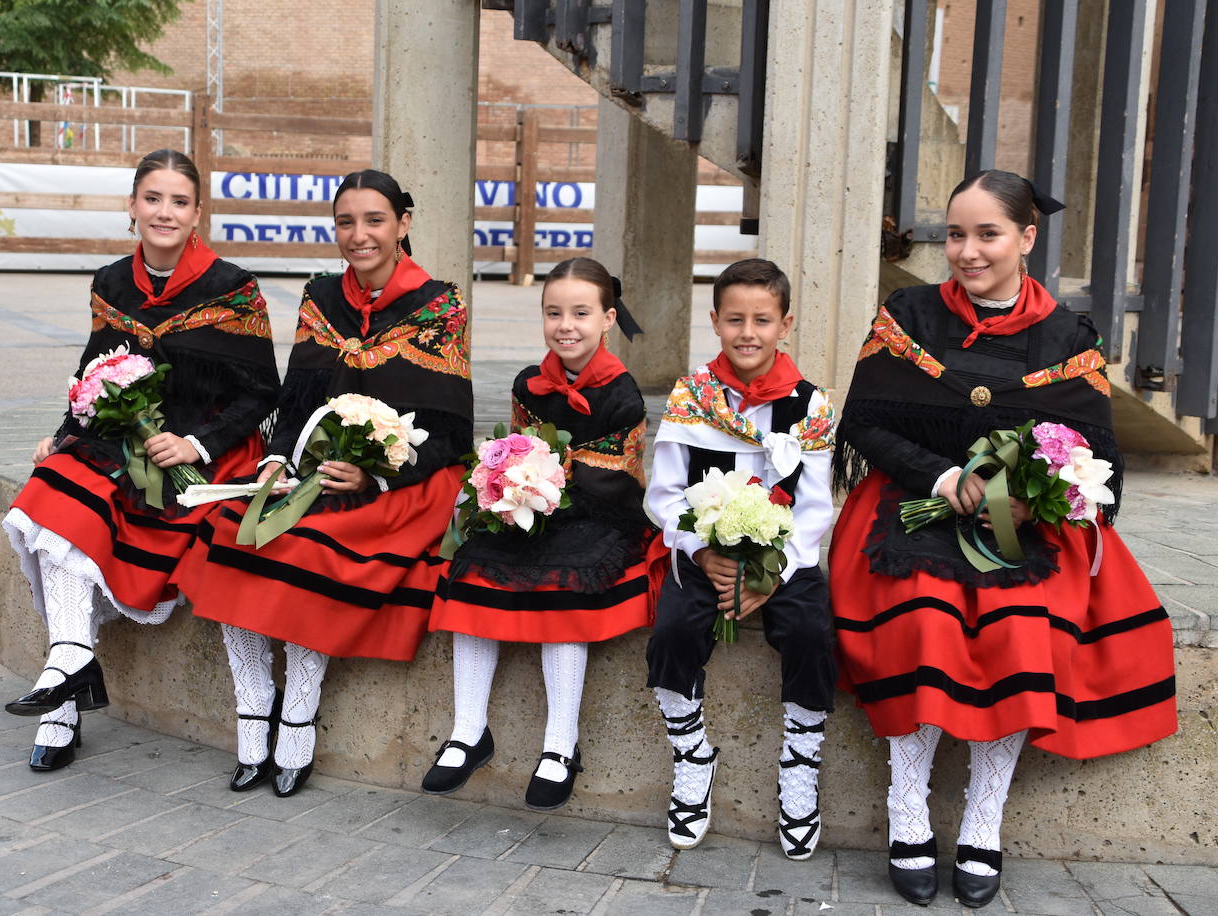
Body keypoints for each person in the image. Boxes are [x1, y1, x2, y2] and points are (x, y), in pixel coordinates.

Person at [830, 169, 1177, 908]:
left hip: (1024, 521)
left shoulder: (1067, 335)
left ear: (1026, 236)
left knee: (1023, 633)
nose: (967, 251)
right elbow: (863, 423)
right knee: (923, 616)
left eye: (987, 234)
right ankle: (907, 807)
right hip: (915, 499)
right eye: (955, 234)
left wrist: (1033, 497)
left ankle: (984, 822)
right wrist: (945, 476)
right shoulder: (908, 314)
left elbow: (1100, 453)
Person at [176, 169, 473, 798]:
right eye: (346, 222)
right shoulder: (321, 300)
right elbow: (299, 398)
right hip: (317, 469)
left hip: (403, 483)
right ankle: (254, 708)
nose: (359, 235)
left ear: (403, 225)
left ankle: (299, 712)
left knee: (308, 551)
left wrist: (374, 471)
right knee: (231, 534)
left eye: (374, 221)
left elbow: (451, 433)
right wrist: (278, 461)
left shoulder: (439, 307)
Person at [2, 148, 280, 772]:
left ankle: (65, 686)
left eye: (179, 201)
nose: (164, 212)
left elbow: (262, 390)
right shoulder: (110, 283)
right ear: (132, 207)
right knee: (53, 490)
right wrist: (63, 429)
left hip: (204, 451)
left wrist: (195, 445)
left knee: (196, 533)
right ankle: (68, 677)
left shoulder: (232, 287)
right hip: (124, 443)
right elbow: (93, 372)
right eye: (152, 199)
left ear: (197, 213)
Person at [421, 257, 656, 811]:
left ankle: (560, 743)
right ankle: (469, 729)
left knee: (562, 580)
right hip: (535, 504)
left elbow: (618, 477)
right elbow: (517, 445)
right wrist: (509, 486)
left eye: (581, 313)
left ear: (607, 319)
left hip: (601, 511)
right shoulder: (530, 381)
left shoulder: (621, 391)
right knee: (475, 565)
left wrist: (552, 479)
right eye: (554, 313)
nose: (566, 325)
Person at [645, 258, 838, 857]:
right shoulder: (693, 396)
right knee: (674, 629)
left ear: (785, 324)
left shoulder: (811, 405)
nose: (747, 332)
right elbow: (663, 492)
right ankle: (691, 749)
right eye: (735, 319)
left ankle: (800, 760)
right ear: (715, 322)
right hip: (704, 553)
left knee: (811, 631)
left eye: (762, 319)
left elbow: (815, 504)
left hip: (785, 559)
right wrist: (700, 551)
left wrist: (774, 573)